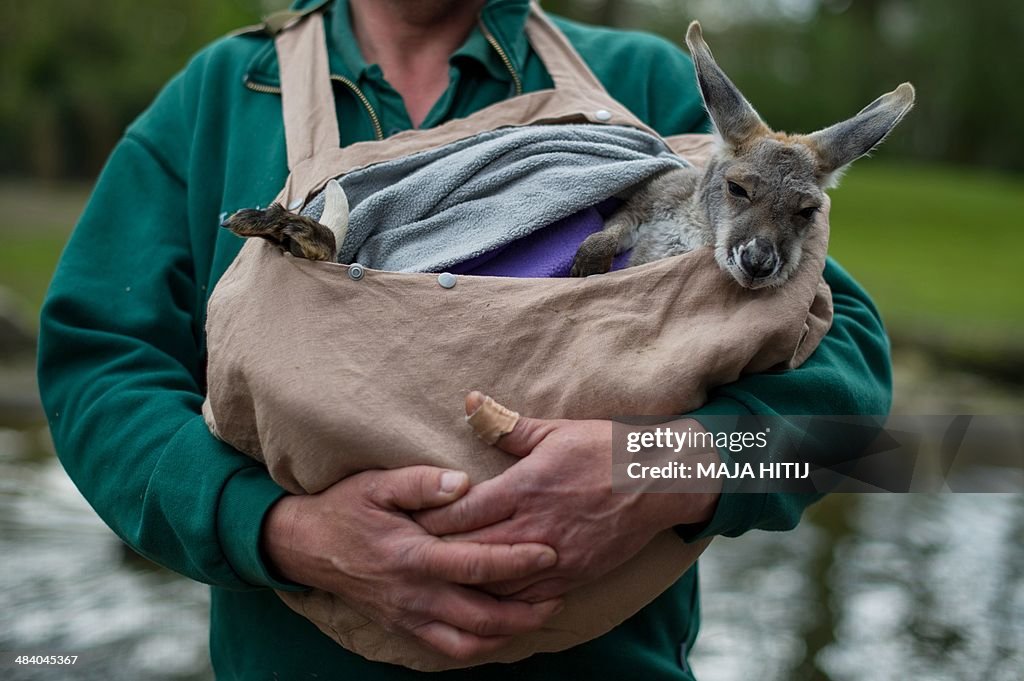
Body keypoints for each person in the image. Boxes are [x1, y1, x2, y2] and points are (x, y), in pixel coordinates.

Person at [36, 0, 892, 678]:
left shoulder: (648, 85)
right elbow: (97, 370)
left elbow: (846, 423)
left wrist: (663, 472)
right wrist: (279, 531)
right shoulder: (221, 98)